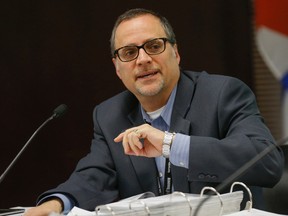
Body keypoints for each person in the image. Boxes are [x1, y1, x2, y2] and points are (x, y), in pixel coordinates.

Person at [24, 8, 284, 216]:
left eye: (154, 46)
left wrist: (172, 144)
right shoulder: (109, 115)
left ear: (176, 53)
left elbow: (268, 163)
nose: (143, 59)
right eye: (129, 52)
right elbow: (95, 176)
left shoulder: (221, 94)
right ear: (117, 68)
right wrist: (57, 203)